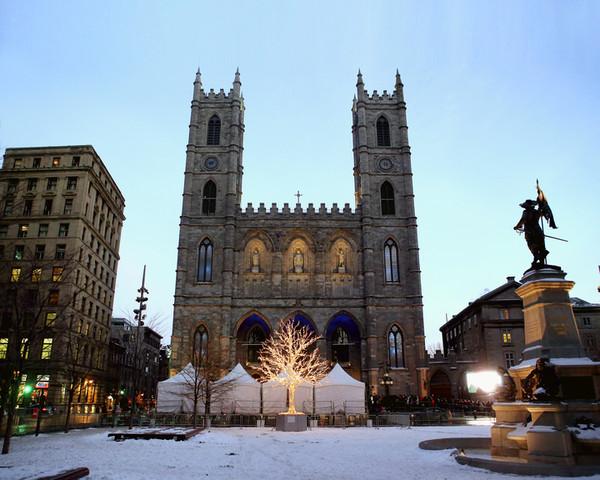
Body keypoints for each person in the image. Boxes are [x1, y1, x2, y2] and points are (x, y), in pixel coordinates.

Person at [514, 199, 548, 266]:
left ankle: (537, 257)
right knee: (540, 246)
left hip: (530, 232)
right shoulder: (537, 212)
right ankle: (541, 260)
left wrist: (517, 226)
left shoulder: (526, 212)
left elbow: (523, 219)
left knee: (532, 246)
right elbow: (542, 214)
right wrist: (541, 209)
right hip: (538, 231)